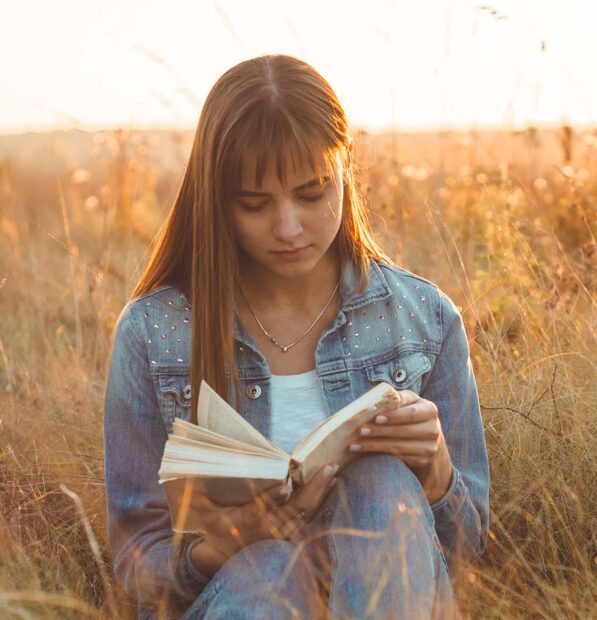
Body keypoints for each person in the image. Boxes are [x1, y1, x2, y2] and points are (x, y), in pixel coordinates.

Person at [103, 54, 490, 619]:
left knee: (381, 484)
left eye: (312, 193)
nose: (288, 228)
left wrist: (437, 475)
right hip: (242, 602)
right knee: (270, 567)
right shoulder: (154, 334)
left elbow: (468, 550)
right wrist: (226, 545)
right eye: (255, 204)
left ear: (345, 169)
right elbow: (139, 560)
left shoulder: (421, 318)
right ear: (217, 200)